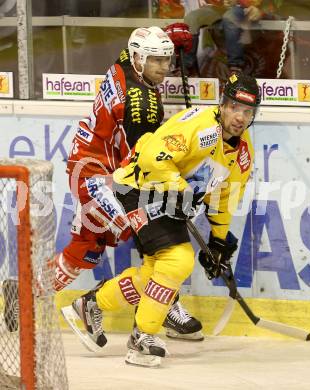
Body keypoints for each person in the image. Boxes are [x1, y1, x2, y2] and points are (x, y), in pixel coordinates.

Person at [3, 25, 203, 347]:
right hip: (97, 174)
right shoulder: (141, 101)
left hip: (96, 166)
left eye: (167, 60)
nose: (164, 69)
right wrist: (174, 186)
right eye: (157, 61)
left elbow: (139, 44)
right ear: (139, 59)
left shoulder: (127, 65)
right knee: (148, 230)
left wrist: (165, 39)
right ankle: (164, 302)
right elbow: (148, 159)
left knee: (89, 249)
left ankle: (23, 289)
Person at [74, 73, 261, 367]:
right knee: (178, 260)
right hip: (138, 187)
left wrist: (219, 239)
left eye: (248, 112)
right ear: (222, 104)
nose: (240, 117)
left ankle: (91, 304)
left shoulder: (241, 150)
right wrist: (183, 191)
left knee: (156, 272)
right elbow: (153, 158)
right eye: (235, 107)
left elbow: (224, 195)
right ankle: (142, 336)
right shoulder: (202, 128)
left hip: (168, 199)